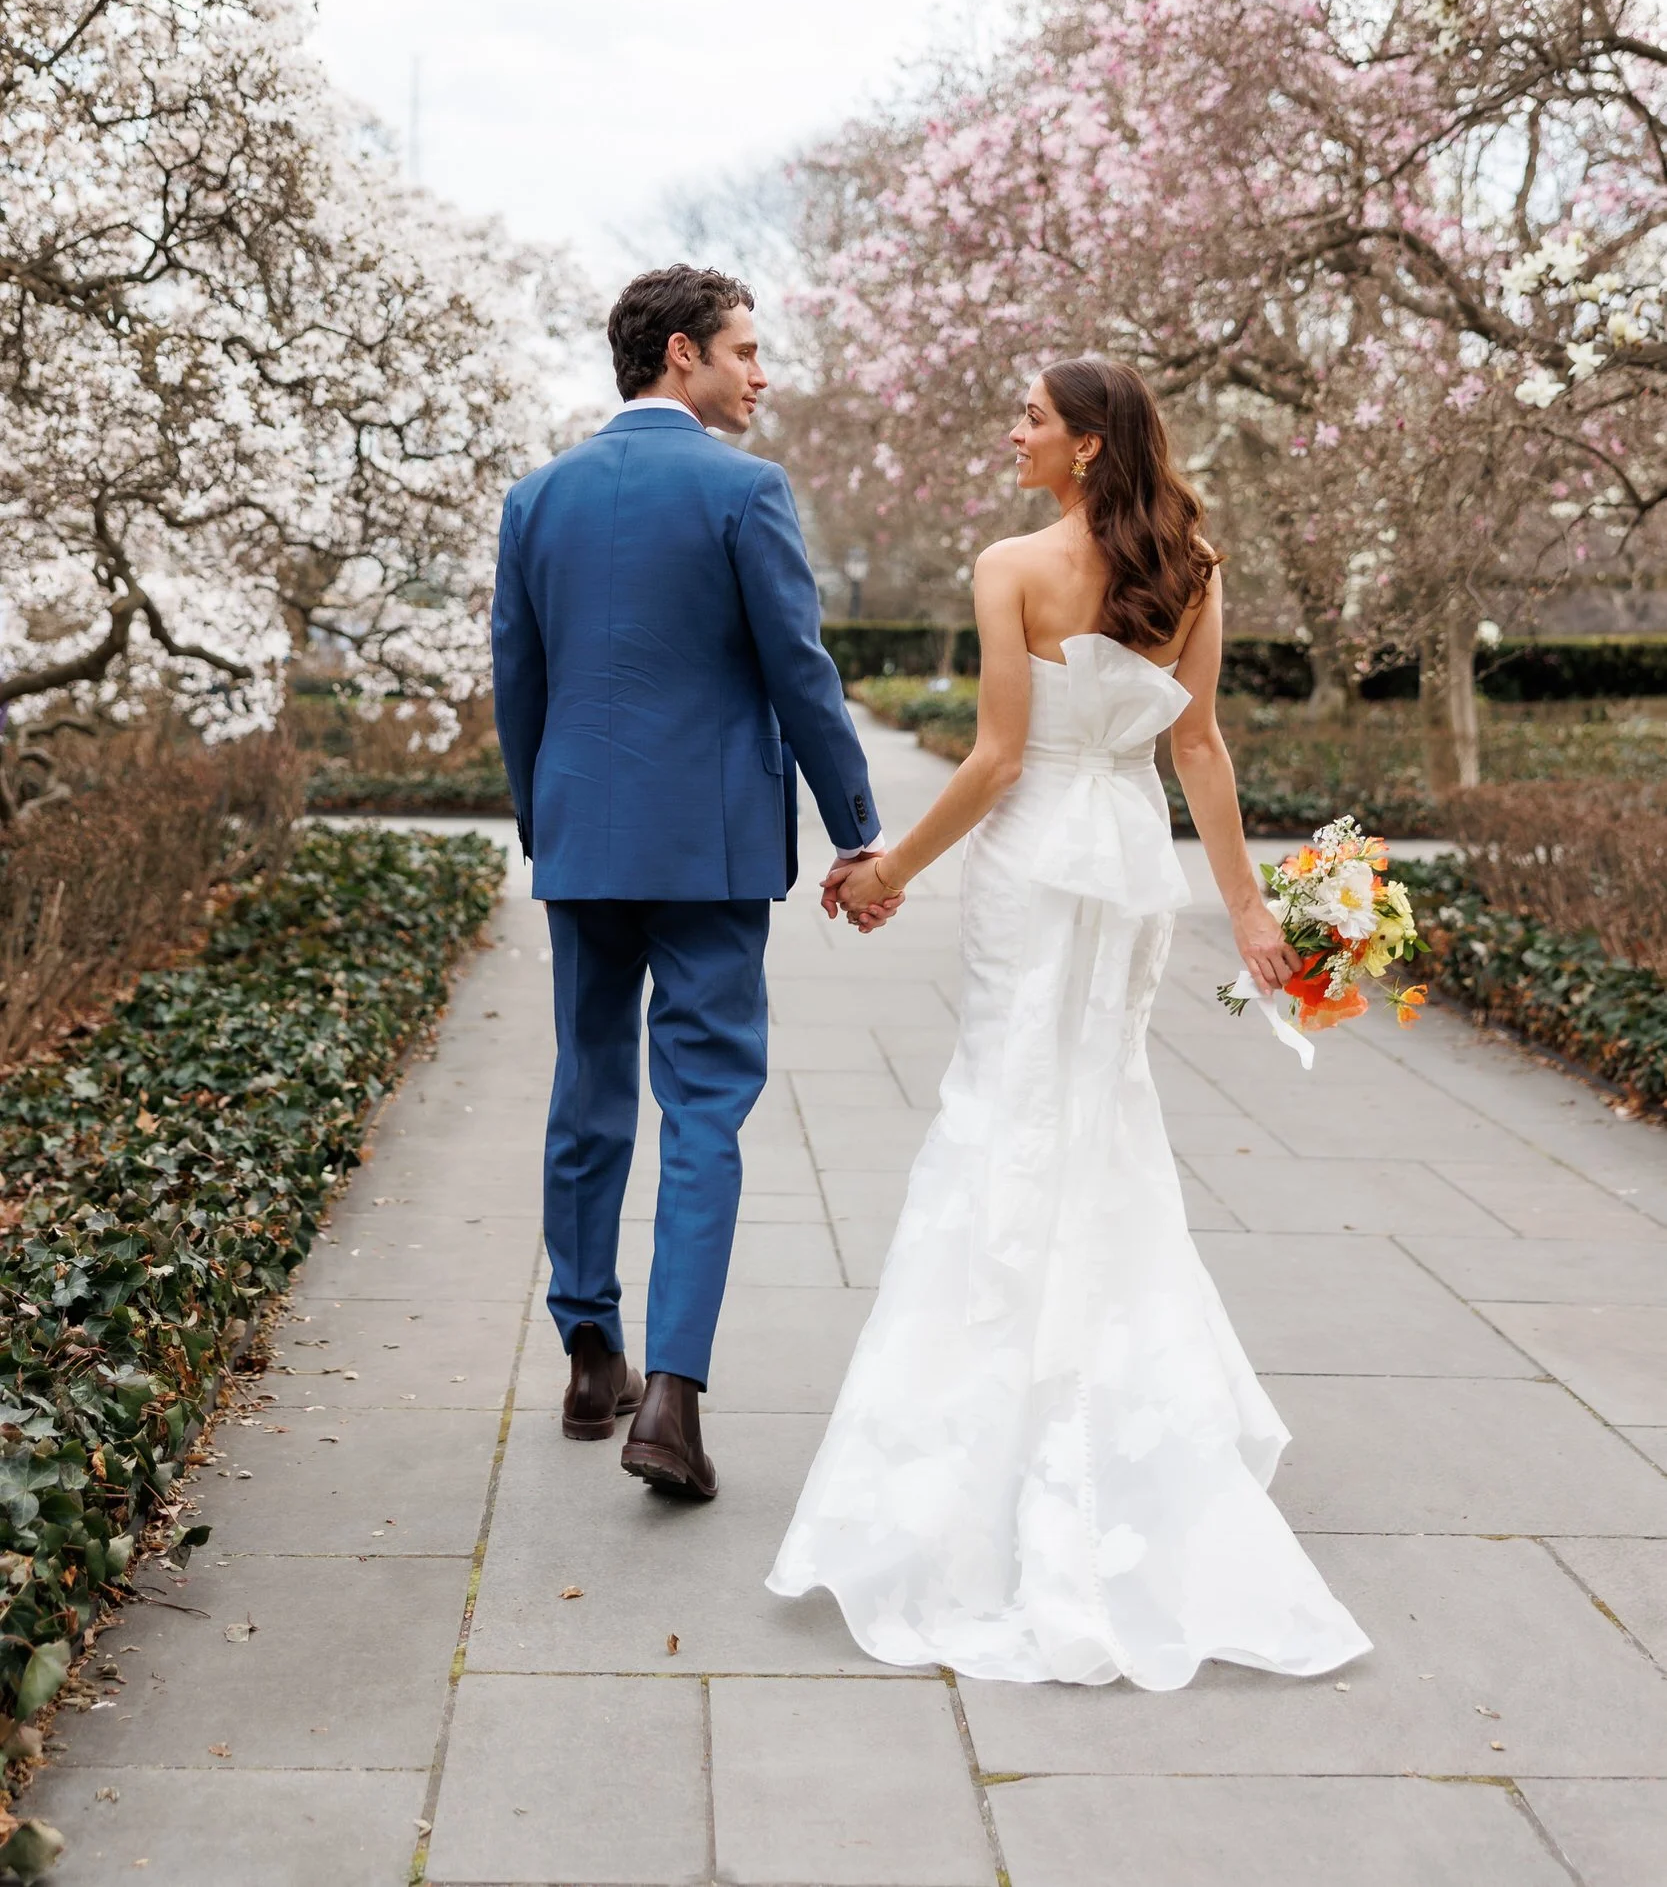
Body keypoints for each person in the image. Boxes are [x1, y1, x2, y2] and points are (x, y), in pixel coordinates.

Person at [768, 357, 1371, 1686]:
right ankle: (1111, 1407)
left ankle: (980, 1441)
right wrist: (1250, 914)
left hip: (1035, 864)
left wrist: (883, 874)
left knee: (1004, 1114)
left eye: (1030, 415)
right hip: (1128, 871)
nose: (1012, 428)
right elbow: (1195, 747)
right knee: (1096, 1117)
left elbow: (991, 760)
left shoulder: (1010, 567)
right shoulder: (1191, 568)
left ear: (1088, 444)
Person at [491, 265, 895, 1503]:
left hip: (584, 845)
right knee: (705, 1106)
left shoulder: (535, 499)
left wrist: (544, 820)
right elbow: (799, 675)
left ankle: (585, 1351)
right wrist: (858, 829)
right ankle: (670, 1397)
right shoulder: (743, 490)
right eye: (745, 351)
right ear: (681, 355)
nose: (761, 375)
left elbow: (519, 683)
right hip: (711, 851)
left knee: (588, 1082)